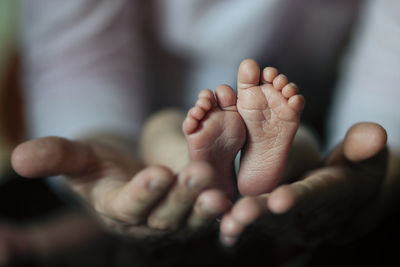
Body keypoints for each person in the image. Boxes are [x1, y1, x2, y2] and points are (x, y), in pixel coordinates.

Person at [9, 0, 400, 265]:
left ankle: (194, 170)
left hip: (186, 131)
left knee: (161, 135)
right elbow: (79, 64)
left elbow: (388, 78)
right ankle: (268, 170)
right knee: (304, 152)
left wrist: (387, 169)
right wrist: (103, 144)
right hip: (147, 126)